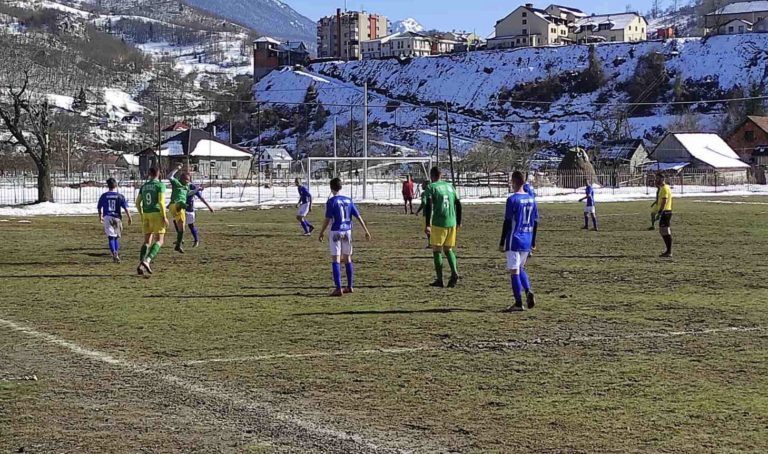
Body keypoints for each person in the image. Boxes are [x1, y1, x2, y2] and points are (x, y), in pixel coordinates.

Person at [318, 178, 372, 297]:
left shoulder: (331, 201)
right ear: (341, 187)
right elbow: (358, 216)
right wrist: (366, 230)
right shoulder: (348, 200)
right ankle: (350, 286)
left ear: (331, 188)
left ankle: (338, 288)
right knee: (347, 259)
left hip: (336, 231)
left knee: (336, 259)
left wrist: (321, 232)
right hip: (347, 231)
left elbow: (327, 219)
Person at [500, 171, 537, 312]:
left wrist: (502, 241)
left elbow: (508, 222)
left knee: (514, 271)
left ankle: (518, 303)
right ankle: (528, 290)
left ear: (514, 181)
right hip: (527, 239)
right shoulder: (531, 199)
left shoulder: (512, 199)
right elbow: (535, 221)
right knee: (520, 268)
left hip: (514, 239)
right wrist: (533, 241)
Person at [424, 166, 462, 288]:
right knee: (448, 249)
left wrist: (427, 224)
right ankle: (454, 272)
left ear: (432, 176)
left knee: (436, 250)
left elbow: (428, 204)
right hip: (452, 222)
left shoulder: (432, 187)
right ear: (441, 175)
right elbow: (458, 203)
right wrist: (459, 221)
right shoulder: (450, 186)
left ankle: (439, 279)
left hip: (439, 222)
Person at [136, 167, 169, 275]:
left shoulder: (144, 186)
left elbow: (137, 203)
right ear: (159, 174)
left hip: (146, 214)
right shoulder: (160, 185)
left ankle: (141, 265)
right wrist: (164, 216)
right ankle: (147, 260)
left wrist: (141, 214)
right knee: (160, 240)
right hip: (156, 214)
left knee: (147, 241)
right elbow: (161, 202)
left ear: (149, 174)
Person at [97, 177, 132, 263]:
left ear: (108, 186)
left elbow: (99, 207)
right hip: (117, 218)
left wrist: (100, 216)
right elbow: (126, 208)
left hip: (107, 217)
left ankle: (114, 253)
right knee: (116, 237)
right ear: (115, 185)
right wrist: (129, 217)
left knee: (110, 237)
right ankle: (116, 253)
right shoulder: (120, 196)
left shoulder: (104, 196)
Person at [168, 164, 198, 254]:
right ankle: (184, 205)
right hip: (174, 205)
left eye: (189, 181)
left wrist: (197, 190)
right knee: (180, 204)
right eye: (187, 180)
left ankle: (178, 245)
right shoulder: (176, 183)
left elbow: (189, 193)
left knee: (182, 229)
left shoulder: (186, 187)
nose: (188, 182)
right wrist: (176, 168)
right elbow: (169, 176)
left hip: (180, 210)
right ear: (183, 179)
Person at [186, 182, 214, 247]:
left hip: (189, 209)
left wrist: (209, 207)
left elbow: (201, 198)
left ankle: (196, 240)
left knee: (190, 225)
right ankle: (180, 240)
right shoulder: (181, 185)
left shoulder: (192, 186)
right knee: (177, 222)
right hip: (181, 208)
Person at [655, 174, 673, 257]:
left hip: (665, 212)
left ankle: (669, 251)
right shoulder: (664, 187)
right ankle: (668, 250)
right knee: (663, 231)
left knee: (665, 231)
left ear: (662, 179)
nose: (656, 180)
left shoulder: (665, 189)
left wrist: (660, 212)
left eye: (658, 179)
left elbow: (664, 201)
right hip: (666, 212)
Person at [523, 177, 539, 254]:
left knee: (525, 229)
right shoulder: (530, 187)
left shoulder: (524, 187)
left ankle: (528, 248)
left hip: (527, 208)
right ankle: (532, 244)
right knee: (532, 228)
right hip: (534, 208)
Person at [414, 180, 431, 248]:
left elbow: (423, 203)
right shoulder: (433, 192)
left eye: (423, 184)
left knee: (428, 228)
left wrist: (418, 211)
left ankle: (431, 243)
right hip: (435, 213)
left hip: (427, 213)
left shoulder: (424, 193)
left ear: (426, 185)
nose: (421, 186)